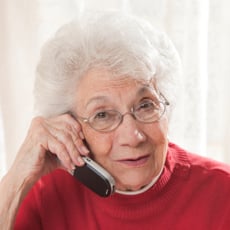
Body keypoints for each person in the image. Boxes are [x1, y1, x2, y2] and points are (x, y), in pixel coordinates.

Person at [0, 10, 230, 230]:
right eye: (103, 115)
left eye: (146, 105)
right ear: (70, 125)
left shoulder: (223, 193)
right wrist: (17, 177)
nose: (133, 136)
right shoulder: (42, 194)